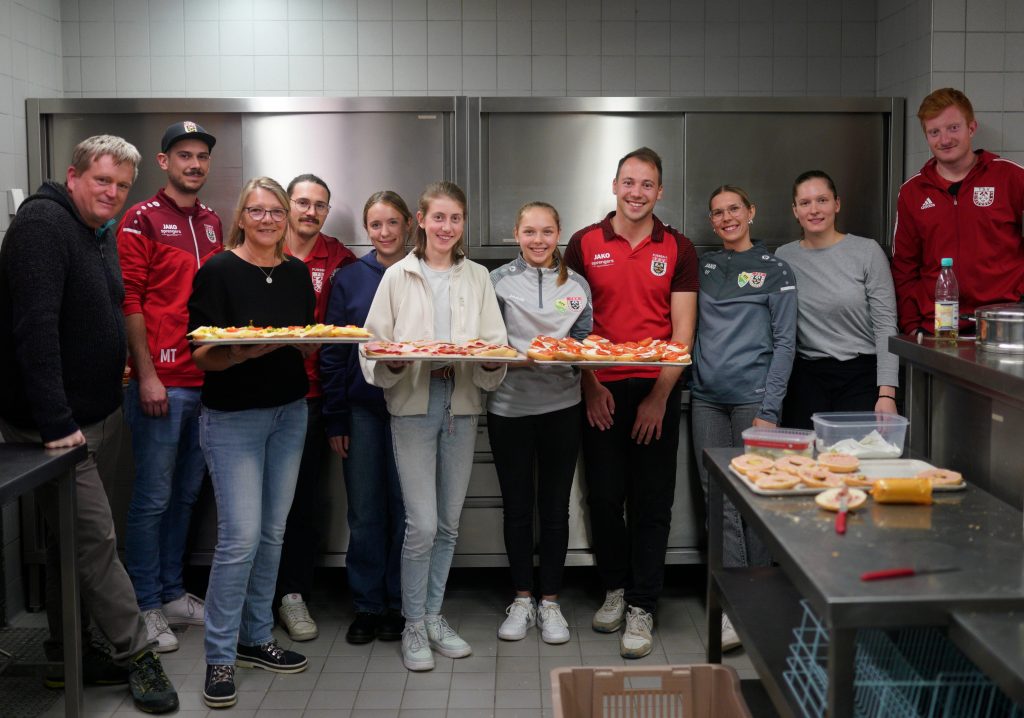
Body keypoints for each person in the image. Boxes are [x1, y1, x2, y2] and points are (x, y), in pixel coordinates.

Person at [0, 135, 178, 713]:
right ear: (73, 176)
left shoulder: (94, 231)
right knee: (97, 541)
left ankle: (66, 653)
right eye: (102, 180)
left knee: (70, 544)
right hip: (57, 428)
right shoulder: (42, 227)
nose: (113, 193)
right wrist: (56, 422)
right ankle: (138, 655)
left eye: (123, 186)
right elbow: (35, 331)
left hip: (95, 414)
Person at [360, 181, 508, 671]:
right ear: (421, 220)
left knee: (448, 523)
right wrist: (391, 364)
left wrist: (492, 362)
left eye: (455, 218)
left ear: (463, 223)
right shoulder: (398, 276)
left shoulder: (477, 277)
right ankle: (412, 624)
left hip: (460, 402)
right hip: (413, 403)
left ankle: (432, 614)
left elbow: (495, 342)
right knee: (421, 524)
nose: (447, 227)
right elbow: (373, 345)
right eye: (438, 217)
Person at [564, 147, 698, 659]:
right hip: (599, 386)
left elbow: (682, 333)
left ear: (659, 191)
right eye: (628, 182)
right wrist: (589, 385)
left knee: (652, 501)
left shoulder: (678, 248)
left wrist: (660, 397)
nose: (636, 192)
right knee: (603, 496)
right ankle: (615, 588)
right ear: (614, 185)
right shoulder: (584, 243)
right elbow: (571, 324)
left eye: (646, 184)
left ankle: (643, 603)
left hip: (656, 387)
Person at [188, 177, 315, 709]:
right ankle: (219, 655)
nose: (267, 220)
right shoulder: (218, 270)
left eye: (276, 212)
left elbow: (305, 336)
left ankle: (256, 637)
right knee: (239, 538)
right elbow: (201, 353)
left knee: (271, 533)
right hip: (232, 418)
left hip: (290, 413)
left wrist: (295, 346)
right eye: (257, 211)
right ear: (241, 217)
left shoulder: (296, 272)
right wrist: (242, 353)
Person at [118, 121, 221, 653]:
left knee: (185, 495)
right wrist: (146, 375)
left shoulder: (212, 222)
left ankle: (172, 592)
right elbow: (129, 299)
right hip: (162, 383)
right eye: (184, 155)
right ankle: (144, 605)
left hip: (206, 381)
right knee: (153, 497)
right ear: (164, 162)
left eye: (201, 156)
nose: (194, 164)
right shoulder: (141, 219)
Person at [690, 185, 797, 652]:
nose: (727, 218)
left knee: (756, 499)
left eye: (734, 209)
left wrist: (770, 410)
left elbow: (786, 343)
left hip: (755, 403)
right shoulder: (705, 266)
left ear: (751, 212)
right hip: (706, 400)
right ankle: (734, 605)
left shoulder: (776, 269)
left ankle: (763, 600)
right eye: (718, 212)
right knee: (718, 500)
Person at [489, 202, 592, 645]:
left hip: (562, 407)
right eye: (529, 231)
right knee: (516, 508)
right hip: (508, 408)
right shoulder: (495, 281)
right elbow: (488, 342)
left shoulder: (578, 285)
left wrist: (573, 356)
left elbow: (585, 342)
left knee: (554, 508)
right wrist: (516, 358)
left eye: (546, 231)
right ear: (516, 234)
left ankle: (549, 602)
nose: (538, 240)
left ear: (558, 233)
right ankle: (521, 598)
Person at [322, 191, 412, 645]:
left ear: (408, 224)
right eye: (376, 225)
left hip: (411, 408)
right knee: (365, 511)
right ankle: (367, 604)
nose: (385, 232)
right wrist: (335, 416)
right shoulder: (350, 278)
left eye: (392, 222)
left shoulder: (421, 272)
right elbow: (334, 350)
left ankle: (399, 602)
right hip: (362, 411)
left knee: (405, 509)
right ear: (366, 229)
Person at [274, 174, 356, 642]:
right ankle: (252, 598)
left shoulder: (339, 259)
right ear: (287, 205)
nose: (310, 212)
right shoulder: (261, 248)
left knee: (301, 502)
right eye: (302, 202)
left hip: (311, 398)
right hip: (257, 395)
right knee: (255, 506)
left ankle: (292, 594)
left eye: (319, 205)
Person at [891, 87, 1024, 336]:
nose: (944, 140)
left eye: (953, 128)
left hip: (1004, 325)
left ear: (971, 128)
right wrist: (911, 324)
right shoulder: (912, 192)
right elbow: (904, 267)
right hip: (937, 328)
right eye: (934, 132)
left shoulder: (1011, 177)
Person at [778, 171, 900, 429]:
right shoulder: (784, 257)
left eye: (822, 200)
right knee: (806, 454)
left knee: (855, 452)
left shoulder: (867, 252)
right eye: (805, 203)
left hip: (860, 376)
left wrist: (887, 393)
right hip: (806, 378)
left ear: (837, 204)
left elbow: (886, 326)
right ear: (795, 211)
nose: (814, 210)